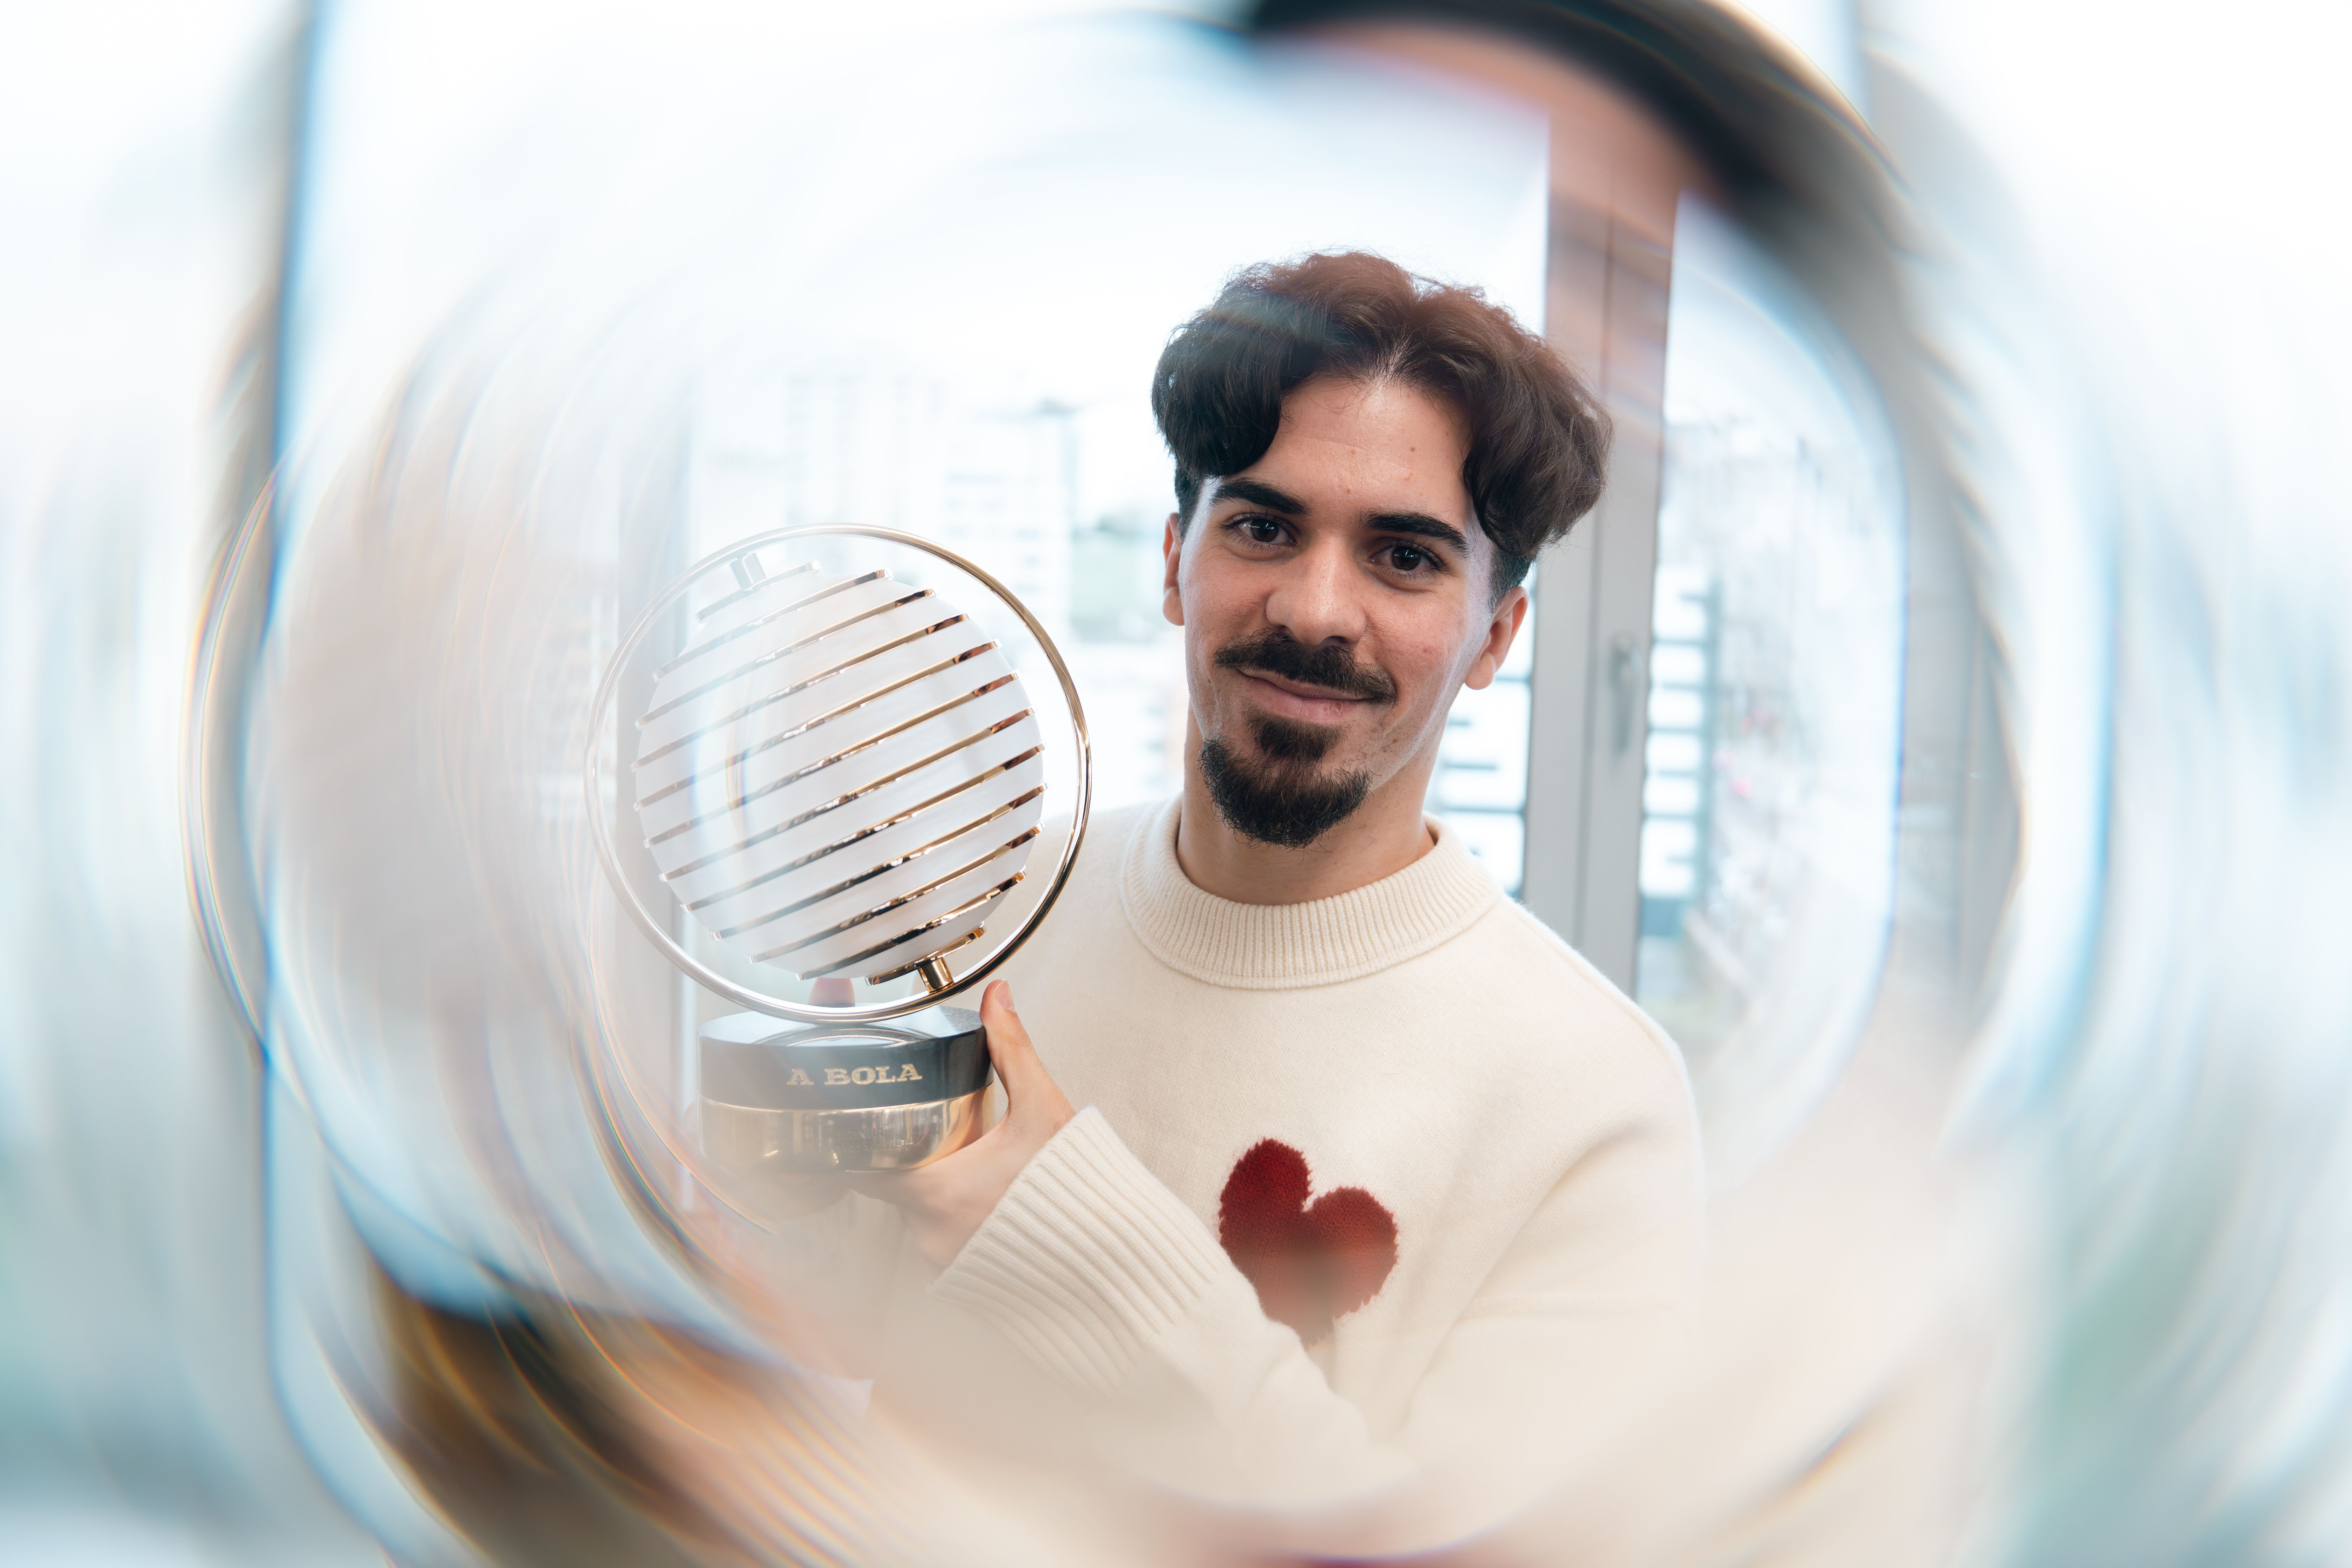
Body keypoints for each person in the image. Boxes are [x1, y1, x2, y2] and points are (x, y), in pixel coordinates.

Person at [727, 250, 1704, 1550]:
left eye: (1404, 558)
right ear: (1179, 562)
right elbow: (835, 1331)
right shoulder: (982, 918)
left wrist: (1058, 1230)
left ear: (1492, 636)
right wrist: (756, 1178)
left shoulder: (1600, 1104)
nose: (1313, 609)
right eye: (1262, 527)